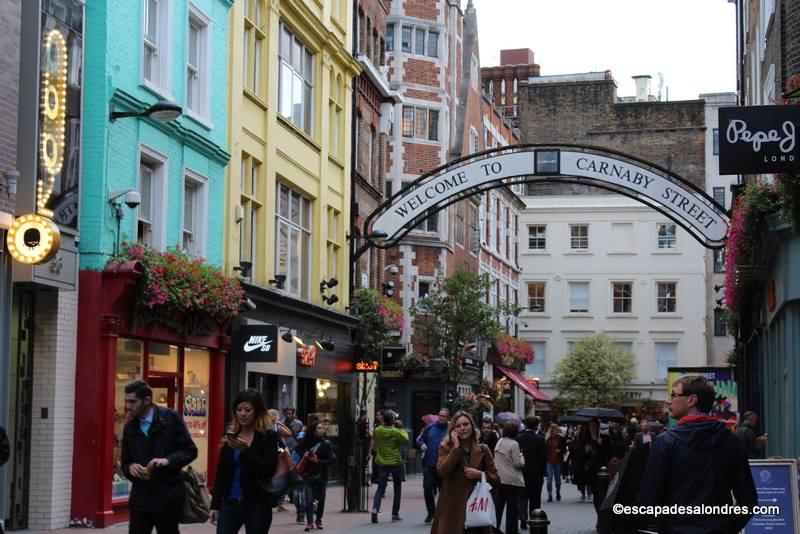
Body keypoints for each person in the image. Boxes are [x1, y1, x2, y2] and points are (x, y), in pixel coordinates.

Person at [638, 375, 758, 533]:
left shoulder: (664, 442)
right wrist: (727, 527)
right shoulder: (732, 442)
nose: (669, 400)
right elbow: (748, 500)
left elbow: (648, 502)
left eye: (674, 395)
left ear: (692, 400)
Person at [121, 380, 198, 534]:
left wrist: (167, 460)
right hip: (141, 500)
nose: (128, 406)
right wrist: (130, 467)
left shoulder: (170, 418)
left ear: (147, 400)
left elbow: (190, 451)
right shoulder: (130, 427)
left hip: (168, 498)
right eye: (126, 401)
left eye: (132, 401)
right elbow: (126, 461)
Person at [209, 389, 280, 534]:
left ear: (257, 411)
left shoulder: (268, 436)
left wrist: (246, 451)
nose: (242, 414)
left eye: (248, 410)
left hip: (257, 504)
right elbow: (222, 472)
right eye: (239, 409)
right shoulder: (231, 435)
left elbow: (268, 469)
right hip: (229, 503)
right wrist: (215, 505)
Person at [429, 411, 500, 534]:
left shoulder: (483, 449)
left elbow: (497, 479)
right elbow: (442, 472)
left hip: (477, 508)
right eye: (458, 426)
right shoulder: (445, 448)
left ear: (472, 426)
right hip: (452, 509)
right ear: (453, 430)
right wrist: (456, 448)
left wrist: (480, 474)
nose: (462, 428)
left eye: (466, 424)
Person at [371, 410, 409, 523]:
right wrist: (400, 428)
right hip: (395, 462)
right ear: (393, 420)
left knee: (380, 488)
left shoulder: (378, 430)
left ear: (383, 419)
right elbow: (406, 440)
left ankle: (375, 509)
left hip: (382, 462)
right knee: (397, 488)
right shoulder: (396, 432)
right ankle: (395, 514)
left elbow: (375, 438)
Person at [295, 421, 334, 531]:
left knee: (321, 500)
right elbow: (297, 448)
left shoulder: (326, 443)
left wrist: (318, 461)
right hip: (309, 474)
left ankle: (318, 519)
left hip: (321, 475)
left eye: (322, 428)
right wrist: (305, 454)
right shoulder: (307, 441)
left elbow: (331, 460)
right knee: (309, 500)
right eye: (319, 428)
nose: (322, 430)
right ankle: (310, 522)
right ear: (313, 431)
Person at [416, 408, 450, 523]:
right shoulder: (430, 427)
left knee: (443, 491)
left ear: (447, 418)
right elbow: (420, 438)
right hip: (429, 464)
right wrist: (422, 444)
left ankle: (442, 513)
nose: (441, 418)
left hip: (443, 465)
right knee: (427, 488)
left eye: (444, 416)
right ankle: (431, 512)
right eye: (440, 415)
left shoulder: (450, 430)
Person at [516, 415, 546, 531]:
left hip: (522, 473)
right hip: (536, 474)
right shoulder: (540, 439)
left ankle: (523, 519)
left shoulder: (519, 438)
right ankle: (534, 518)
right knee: (535, 498)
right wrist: (543, 473)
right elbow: (543, 458)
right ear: (536, 425)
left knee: (523, 497)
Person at [494, 421, 525, 534]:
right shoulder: (514, 444)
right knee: (512, 507)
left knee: (499, 506)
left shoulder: (499, 441)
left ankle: (495, 527)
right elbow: (517, 464)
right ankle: (511, 530)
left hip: (500, 478)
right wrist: (522, 457)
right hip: (511, 480)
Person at [544, 423, 565, 502]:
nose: (558, 431)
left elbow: (564, 449)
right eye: (556, 430)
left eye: (558, 430)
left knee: (558, 479)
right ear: (552, 430)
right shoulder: (547, 439)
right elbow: (544, 450)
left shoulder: (561, 438)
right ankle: (550, 494)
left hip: (558, 461)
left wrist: (560, 451)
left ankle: (558, 492)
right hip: (549, 461)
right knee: (549, 479)